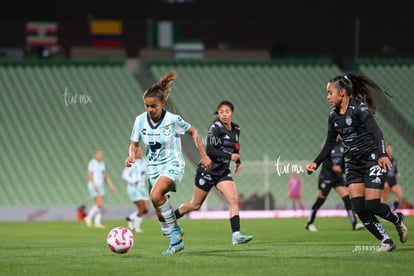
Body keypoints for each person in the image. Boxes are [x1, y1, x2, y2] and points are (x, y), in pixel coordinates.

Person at [306, 73, 408, 252]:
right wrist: (316, 162)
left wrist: (382, 154)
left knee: (373, 205)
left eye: (330, 93)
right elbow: (330, 142)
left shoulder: (359, 108)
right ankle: (386, 240)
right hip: (353, 165)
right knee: (359, 208)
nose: (328, 97)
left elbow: (377, 133)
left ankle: (397, 219)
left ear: (342, 92)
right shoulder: (333, 116)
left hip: (371, 161)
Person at [125, 71, 211, 255]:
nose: (150, 109)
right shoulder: (140, 121)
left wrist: (203, 156)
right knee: (159, 210)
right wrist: (131, 155)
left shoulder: (172, 120)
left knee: (156, 195)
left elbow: (194, 132)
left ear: (162, 104)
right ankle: (175, 240)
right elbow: (134, 144)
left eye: (153, 106)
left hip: (173, 164)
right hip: (153, 168)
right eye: (147, 106)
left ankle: (176, 231)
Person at [173, 101, 253, 245]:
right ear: (218, 113)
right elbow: (210, 150)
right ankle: (171, 220)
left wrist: (238, 161)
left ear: (232, 113)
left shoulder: (236, 129)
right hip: (207, 171)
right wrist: (230, 157)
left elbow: (236, 147)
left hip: (222, 173)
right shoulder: (215, 128)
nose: (224, 114)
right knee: (195, 205)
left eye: (227, 111)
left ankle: (236, 235)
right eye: (221, 112)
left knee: (234, 200)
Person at [305, 137, 364, 232]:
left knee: (347, 198)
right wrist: (333, 167)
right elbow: (324, 158)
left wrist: (343, 170)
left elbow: (344, 159)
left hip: (337, 177)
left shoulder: (343, 144)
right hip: (326, 176)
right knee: (320, 200)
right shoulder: (327, 143)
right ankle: (309, 223)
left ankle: (354, 224)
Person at [84, 150, 115, 228]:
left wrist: (111, 185)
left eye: (101, 154)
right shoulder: (92, 163)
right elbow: (89, 174)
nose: (100, 156)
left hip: (100, 185)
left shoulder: (102, 164)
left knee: (100, 205)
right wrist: (94, 185)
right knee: (99, 203)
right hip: (94, 185)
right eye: (99, 154)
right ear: (95, 155)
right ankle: (88, 217)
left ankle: (97, 223)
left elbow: (105, 176)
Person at [122, 145, 149, 233]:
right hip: (134, 188)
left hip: (142, 187)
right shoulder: (132, 161)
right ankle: (136, 228)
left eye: (141, 151)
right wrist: (133, 181)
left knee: (146, 209)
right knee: (141, 208)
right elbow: (124, 175)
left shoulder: (145, 161)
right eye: (139, 151)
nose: (141, 152)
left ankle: (130, 218)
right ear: (135, 153)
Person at [381, 144, 403, 210]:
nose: (389, 150)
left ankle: (393, 209)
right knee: (386, 187)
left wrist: (397, 173)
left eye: (390, 149)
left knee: (400, 195)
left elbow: (394, 170)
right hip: (385, 180)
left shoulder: (394, 160)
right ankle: (383, 210)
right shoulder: (383, 159)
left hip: (393, 181)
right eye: (388, 149)